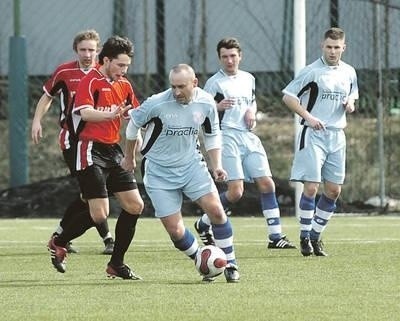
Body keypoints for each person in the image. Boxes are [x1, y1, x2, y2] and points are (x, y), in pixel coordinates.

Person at [125, 64, 240, 283]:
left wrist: (216, 165)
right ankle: (204, 260)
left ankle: (231, 263)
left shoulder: (206, 102)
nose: (177, 92)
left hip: (192, 166)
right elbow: (132, 126)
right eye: (173, 86)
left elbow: (212, 135)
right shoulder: (157, 103)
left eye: (182, 86)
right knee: (175, 231)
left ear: (194, 83)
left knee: (216, 210)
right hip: (158, 172)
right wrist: (129, 156)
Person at [47, 35, 144, 279]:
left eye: (126, 67)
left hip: (113, 151)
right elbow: (85, 112)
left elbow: (133, 113)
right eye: (120, 65)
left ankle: (117, 264)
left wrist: (137, 133)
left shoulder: (124, 84)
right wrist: (111, 115)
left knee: (135, 205)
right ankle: (59, 241)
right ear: (107, 60)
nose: (123, 71)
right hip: (88, 149)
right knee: (99, 214)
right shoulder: (90, 81)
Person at [194, 37, 296, 249]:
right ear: (220, 58)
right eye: (225, 57)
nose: (229, 61)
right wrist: (218, 107)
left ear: (240, 56)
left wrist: (252, 111)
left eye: (233, 56)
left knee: (268, 184)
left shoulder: (249, 78)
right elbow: (200, 109)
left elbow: (251, 101)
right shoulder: (215, 83)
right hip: (226, 137)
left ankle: (275, 237)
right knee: (236, 192)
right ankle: (204, 222)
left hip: (248, 136)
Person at [31, 29, 115, 255]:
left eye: (91, 50)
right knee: (92, 191)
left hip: (100, 141)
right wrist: (37, 121)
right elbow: (47, 96)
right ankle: (107, 239)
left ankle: (60, 236)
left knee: (88, 193)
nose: (87, 54)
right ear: (75, 50)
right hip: (73, 141)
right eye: (83, 50)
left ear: (99, 51)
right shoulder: (65, 72)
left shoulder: (104, 73)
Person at [282, 27, 358, 256]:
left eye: (337, 47)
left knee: (334, 191)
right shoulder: (311, 71)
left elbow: (353, 94)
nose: (333, 51)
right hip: (313, 135)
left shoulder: (349, 72)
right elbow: (288, 96)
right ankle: (304, 236)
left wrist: (350, 104)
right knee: (312, 187)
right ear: (322, 46)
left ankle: (315, 236)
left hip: (337, 135)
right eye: (329, 47)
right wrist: (309, 117)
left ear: (343, 47)